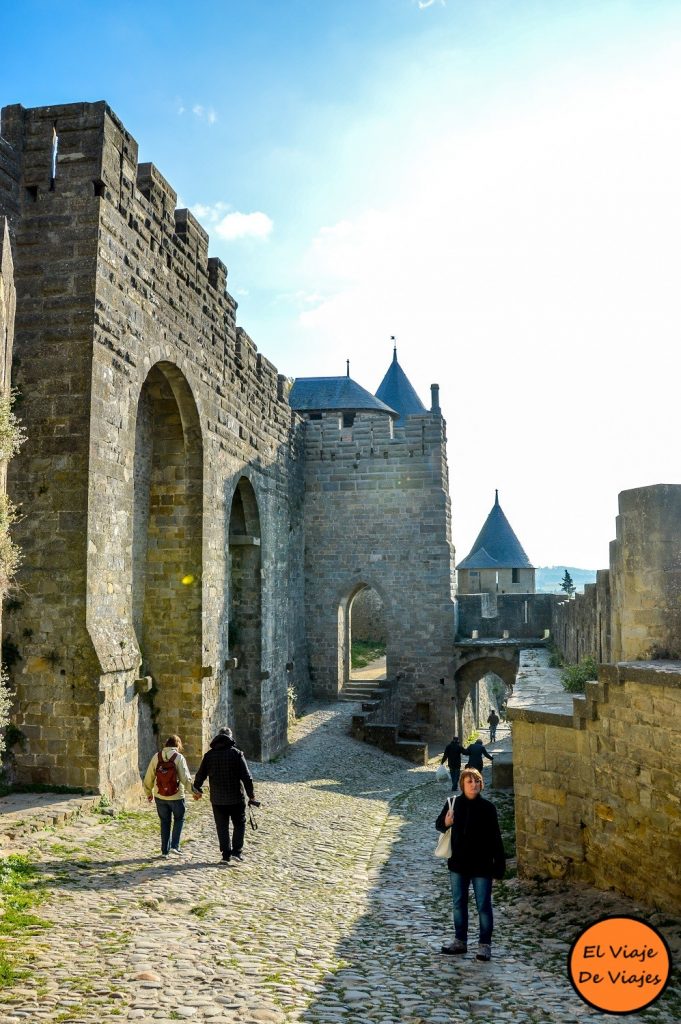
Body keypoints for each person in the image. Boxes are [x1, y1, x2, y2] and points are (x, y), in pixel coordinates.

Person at [435, 767, 506, 961]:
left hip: (482, 866)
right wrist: (447, 822)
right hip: (458, 865)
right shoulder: (453, 804)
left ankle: (484, 945)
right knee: (459, 904)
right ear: (462, 785)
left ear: (481, 784)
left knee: (483, 905)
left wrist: (499, 867)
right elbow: (439, 825)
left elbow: (495, 839)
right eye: (469, 782)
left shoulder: (488, 808)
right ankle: (460, 942)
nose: (474, 785)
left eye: (477, 782)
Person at [192, 727, 258, 865]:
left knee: (221, 826)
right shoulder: (237, 754)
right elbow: (247, 777)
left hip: (217, 799)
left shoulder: (209, 756)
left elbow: (200, 775)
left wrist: (197, 787)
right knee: (239, 824)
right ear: (230, 738)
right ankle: (237, 852)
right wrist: (251, 796)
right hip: (235, 797)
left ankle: (225, 855)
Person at [143, 734, 194, 858]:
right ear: (178, 745)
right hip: (176, 796)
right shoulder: (179, 757)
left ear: (166, 745)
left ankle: (164, 851)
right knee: (179, 819)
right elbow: (185, 778)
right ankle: (175, 846)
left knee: (165, 822)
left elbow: (149, 776)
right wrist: (194, 792)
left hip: (160, 796)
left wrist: (149, 793)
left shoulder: (157, 756)